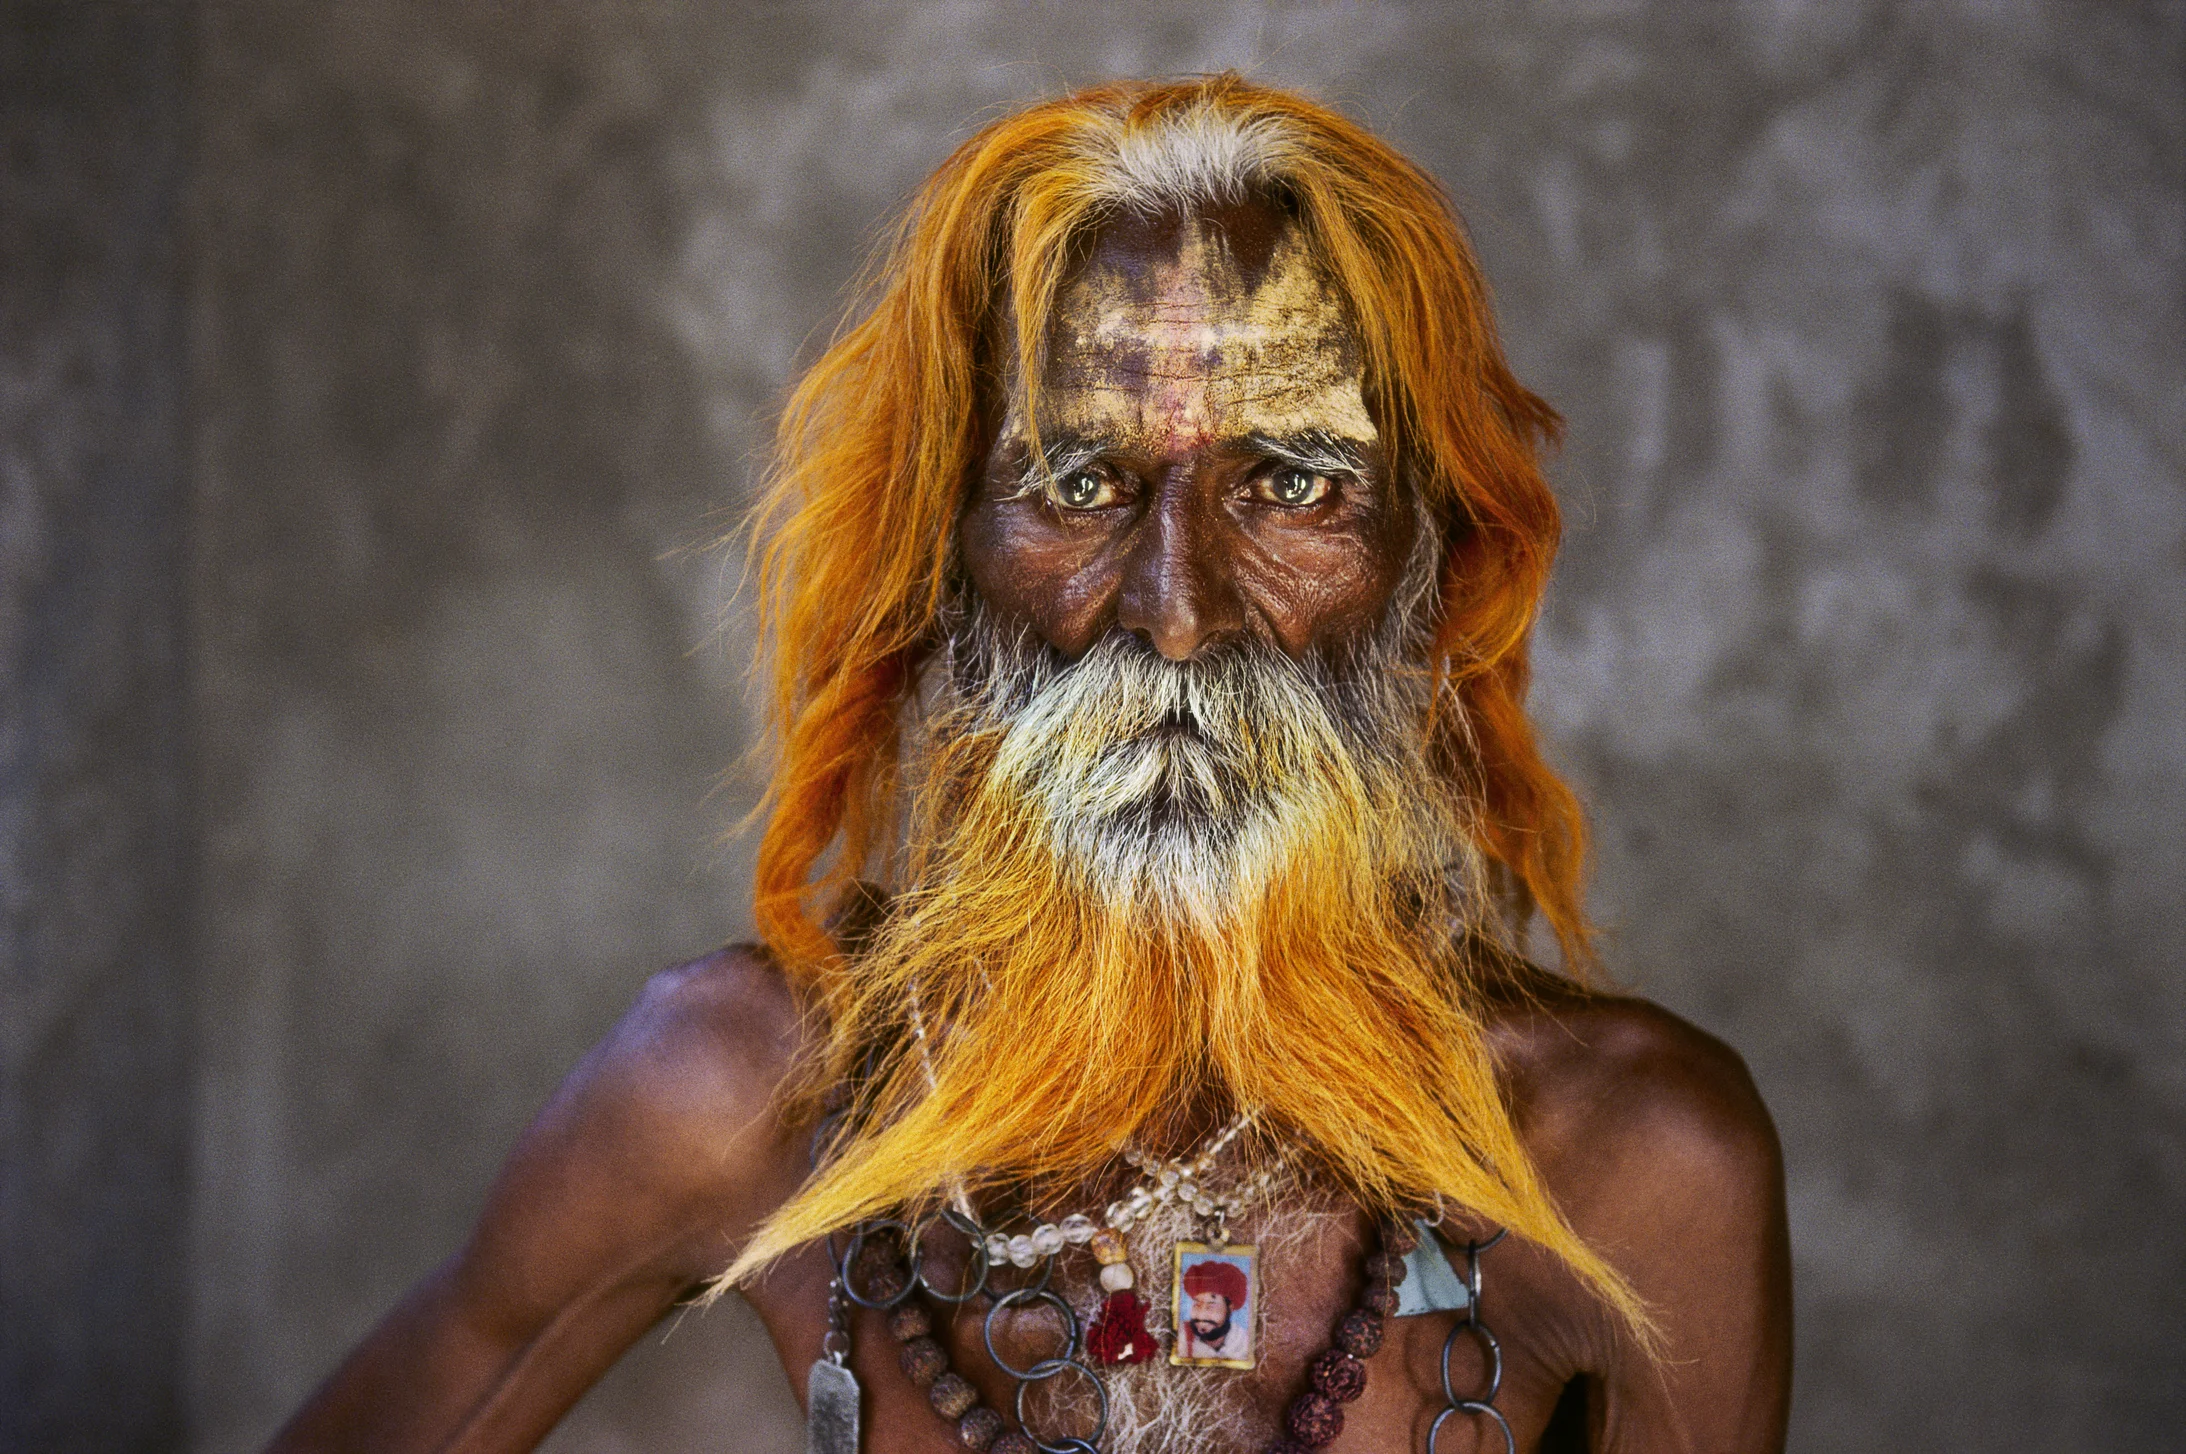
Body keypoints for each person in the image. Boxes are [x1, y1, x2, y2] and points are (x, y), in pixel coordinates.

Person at [269, 75, 1791, 1454]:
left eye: (1291, 482)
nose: (1175, 613)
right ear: (938, 565)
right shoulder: (741, 1088)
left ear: (1423, 570)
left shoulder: (1630, 1164)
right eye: (1076, 481)